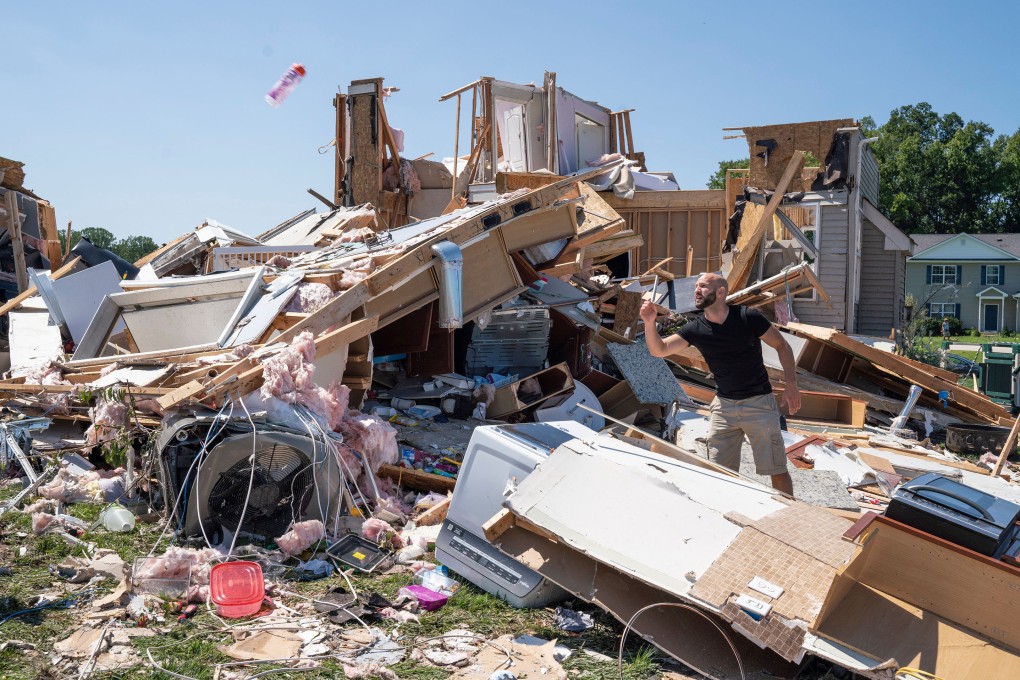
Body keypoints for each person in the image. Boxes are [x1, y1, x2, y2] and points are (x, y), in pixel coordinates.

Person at [640, 272, 801, 495]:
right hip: (723, 408)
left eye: (703, 286)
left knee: (776, 468)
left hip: (759, 405)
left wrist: (791, 385)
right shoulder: (696, 328)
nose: (696, 290)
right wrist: (649, 322)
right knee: (719, 471)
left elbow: (783, 346)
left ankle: (788, 515)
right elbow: (659, 350)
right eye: (696, 286)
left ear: (721, 292)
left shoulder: (748, 317)